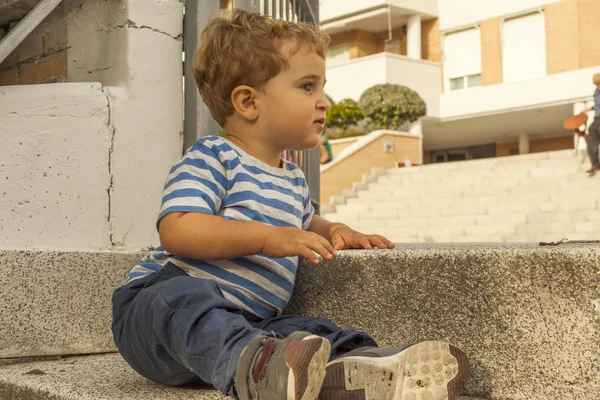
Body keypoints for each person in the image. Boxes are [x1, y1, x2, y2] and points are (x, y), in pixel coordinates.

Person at [111, 9, 469, 400]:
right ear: (249, 102)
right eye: (307, 87)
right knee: (183, 299)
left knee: (308, 330)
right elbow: (178, 228)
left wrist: (336, 231)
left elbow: (308, 222)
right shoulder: (214, 157)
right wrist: (267, 238)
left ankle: (364, 367)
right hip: (154, 318)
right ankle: (258, 369)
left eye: (322, 87)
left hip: (247, 328)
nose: (325, 102)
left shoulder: (293, 179)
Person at [583, 73, 600, 174]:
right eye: (593, 78)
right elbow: (597, 105)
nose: (593, 79)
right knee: (591, 139)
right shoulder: (596, 92)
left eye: (596, 77)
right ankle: (595, 164)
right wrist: (589, 108)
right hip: (597, 119)